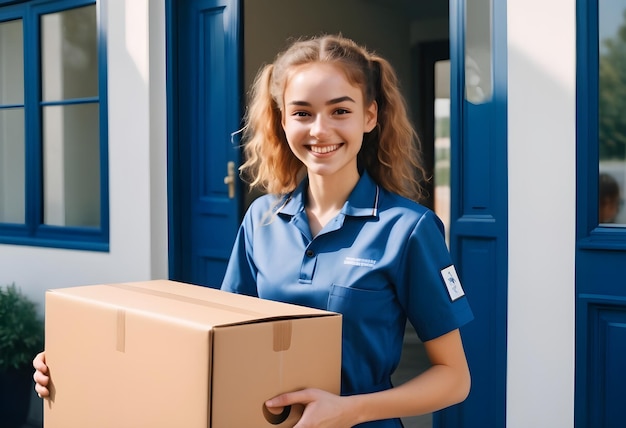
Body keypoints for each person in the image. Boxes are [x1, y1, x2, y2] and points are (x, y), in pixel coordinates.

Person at [34, 34, 473, 427]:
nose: (321, 130)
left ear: (370, 116)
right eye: (302, 113)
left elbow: (454, 379)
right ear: (283, 121)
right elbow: (220, 345)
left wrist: (350, 410)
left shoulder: (409, 229)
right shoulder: (262, 218)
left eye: (340, 110)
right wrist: (79, 364)